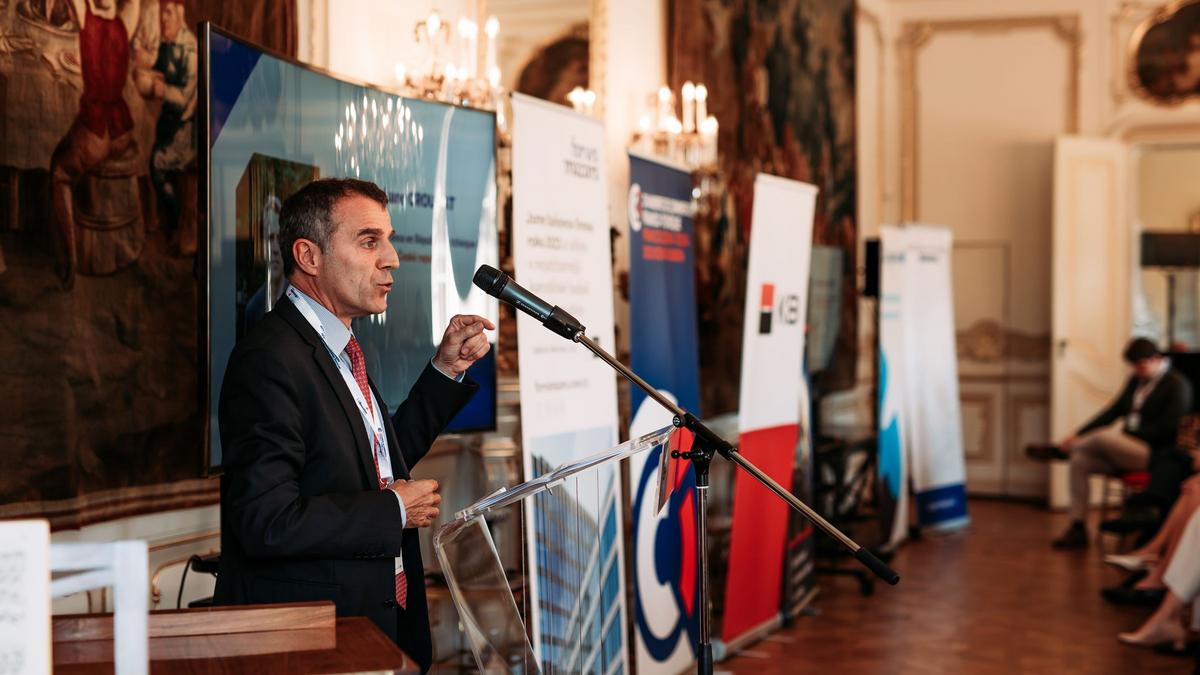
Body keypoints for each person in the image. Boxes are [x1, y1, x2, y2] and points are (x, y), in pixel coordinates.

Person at [214, 178, 494, 672]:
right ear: (309, 256)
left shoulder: (337, 347)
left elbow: (376, 461)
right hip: (313, 642)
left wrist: (445, 371)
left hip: (375, 623)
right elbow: (266, 520)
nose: (392, 259)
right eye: (369, 242)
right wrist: (393, 510)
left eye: (388, 240)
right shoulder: (270, 358)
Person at [1032, 338, 1192, 549]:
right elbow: (1113, 412)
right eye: (1134, 366)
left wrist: (1133, 433)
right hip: (1128, 449)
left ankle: (1061, 452)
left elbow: (1168, 429)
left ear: (1156, 359)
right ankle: (1077, 527)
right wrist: (1077, 434)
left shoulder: (1176, 384)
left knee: (1102, 437)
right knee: (1080, 460)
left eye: (1141, 365)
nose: (1138, 370)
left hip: (1154, 453)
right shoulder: (1137, 381)